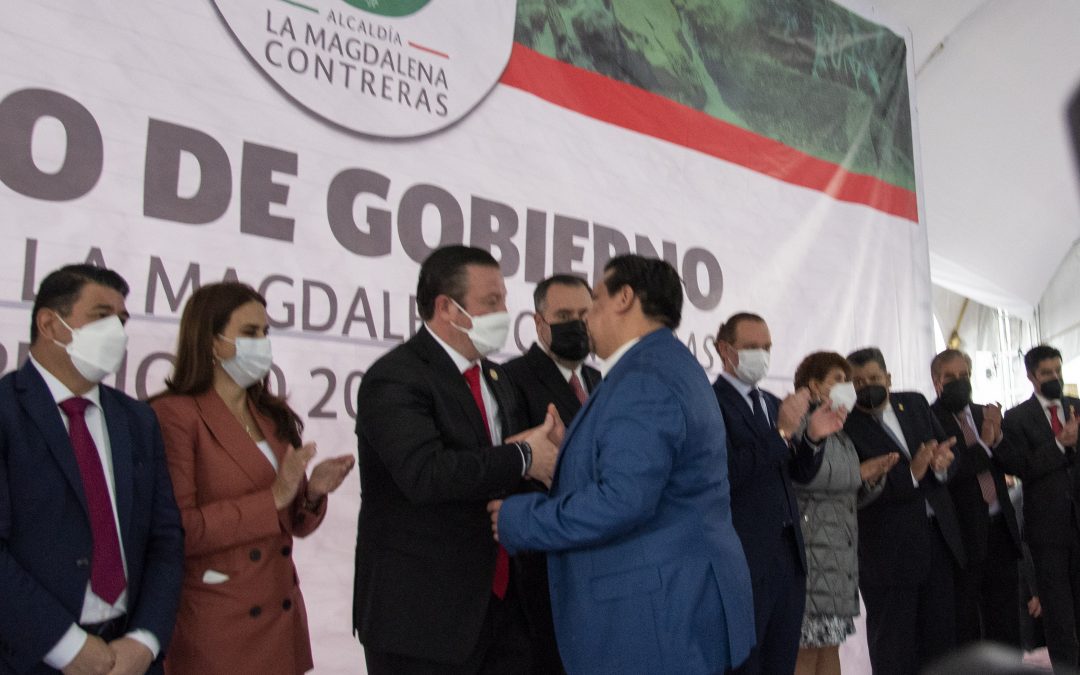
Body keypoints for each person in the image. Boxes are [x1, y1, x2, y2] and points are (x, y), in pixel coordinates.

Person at [489, 254, 756, 674]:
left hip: (655, 618)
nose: (587, 317)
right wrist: (572, 451)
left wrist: (521, 519)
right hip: (673, 604)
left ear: (624, 298)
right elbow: (652, 470)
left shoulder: (644, 377)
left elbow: (624, 500)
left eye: (595, 299)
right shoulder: (663, 363)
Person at [352, 245, 561, 674]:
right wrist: (522, 455)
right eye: (492, 302)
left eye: (503, 299)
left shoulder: (496, 378)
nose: (505, 310)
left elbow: (494, 464)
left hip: (502, 610)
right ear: (447, 307)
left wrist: (541, 449)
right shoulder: (395, 376)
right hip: (423, 621)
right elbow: (426, 473)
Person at [150, 282, 354, 674]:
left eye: (265, 333)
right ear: (211, 341)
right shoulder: (175, 415)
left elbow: (290, 522)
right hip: (217, 625)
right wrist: (275, 495)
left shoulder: (271, 415)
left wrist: (311, 492)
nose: (262, 343)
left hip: (279, 614)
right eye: (249, 333)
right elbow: (181, 529)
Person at [0, 264, 184, 674]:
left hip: (129, 657)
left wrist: (146, 639)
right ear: (50, 323)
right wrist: (67, 647)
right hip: (31, 657)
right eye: (101, 317)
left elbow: (166, 539)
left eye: (121, 320)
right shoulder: (6, 411)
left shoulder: (138, 420)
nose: (117, 332)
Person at [712, 313, 842, 675]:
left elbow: (796, 473)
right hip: (745, 559)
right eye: (752, 347)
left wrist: (813, 437)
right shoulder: (711, 403)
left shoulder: (771, 402)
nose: (762, 355)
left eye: (767, 347)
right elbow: (726, 473)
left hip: (788, 559)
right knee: (745, 665)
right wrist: (783, 432)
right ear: (725, 350)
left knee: (781, 662)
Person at [501, 274, 600, 674]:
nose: (576, 324)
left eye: (584, 314)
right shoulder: (511, 379)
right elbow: (509, 466)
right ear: (539, 322)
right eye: (563, 315)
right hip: (542, 564)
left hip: (596, 555)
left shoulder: (600, 381)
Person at [844, 347, 963, 675]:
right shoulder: (844, 424)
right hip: (887, 555)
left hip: (937, 543)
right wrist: (912, 472)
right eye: (858, 382)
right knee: (894, 649)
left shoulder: (913, 403)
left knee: (942, 645)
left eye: (874, 378)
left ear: (889, 378)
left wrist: (941, 466)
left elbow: (948, 453)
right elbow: (856, 487)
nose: (866, 386)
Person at [790, 352, 898, 675]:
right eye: (840, 380)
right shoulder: (799, 421)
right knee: (805, 654)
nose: (849, 387)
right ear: (814, 385)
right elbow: (808, 475)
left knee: (829, 649)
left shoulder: (839, 428)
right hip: (812, 554)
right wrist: (859, 471)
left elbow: (845, 491)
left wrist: (873, 478)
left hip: (837, 559)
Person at [929, 349, 1023, 649]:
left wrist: (996, 439)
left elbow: (1016, 465)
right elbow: (954, 470)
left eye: (964, 376)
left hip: (1000, 529)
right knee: (966, 623)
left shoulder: (986, 413)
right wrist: (984, 442)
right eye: (950, 377)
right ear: (936, 382)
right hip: (963, 536)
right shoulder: (929, 419)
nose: (959, 382)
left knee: (1006, 621)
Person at [995, 345, 1080, 670]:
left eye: (1058, 371)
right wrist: (1060, 445)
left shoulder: (1076, 407)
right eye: (1047, 373)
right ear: (1031, 376)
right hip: (1048, 534)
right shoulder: (1017, 418)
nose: (1055, 378)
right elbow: (1022, 466)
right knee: (1059, 619)